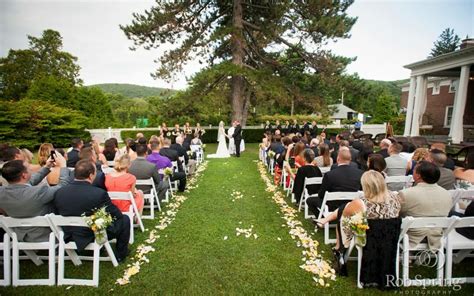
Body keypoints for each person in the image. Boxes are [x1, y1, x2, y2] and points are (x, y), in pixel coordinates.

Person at [315, 170, 401, 287]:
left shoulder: (361, 203)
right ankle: (324, 222)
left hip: (367, 238)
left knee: (343, 217)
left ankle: (338, 249)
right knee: (348, 208)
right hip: (389, 238)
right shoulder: (395, 198)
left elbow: (345, 213)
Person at [54, 160, 130, 262]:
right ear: (91, 175)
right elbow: (117, 214)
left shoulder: (59, 192)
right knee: (124, 219)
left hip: (68, 233)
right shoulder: (99, 193)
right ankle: (121, 254)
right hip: (93, 234)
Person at [0, 153, 69, 242]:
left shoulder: (2, 192)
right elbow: (63, 186)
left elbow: (25, 184)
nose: (31, 170)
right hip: (47, 236)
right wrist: (63, 166)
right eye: (29, 169)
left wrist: (47, 167)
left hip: (19, 237)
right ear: (24, 175)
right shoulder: (39, 192)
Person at [399, 161, 452, 249]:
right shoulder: (447, 194)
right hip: (436, 235)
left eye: (414, 170)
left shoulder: (406, 194)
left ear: (418, 175)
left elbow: (398, 212)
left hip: (410, 235)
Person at [306, 148, 363, 217]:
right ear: (350, 160)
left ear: (338, 159)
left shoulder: (329, 175)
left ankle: (322, 218)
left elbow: (321, 194)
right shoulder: (360, 173)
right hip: (352, 204)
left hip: (332, 206)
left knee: (309, 200)